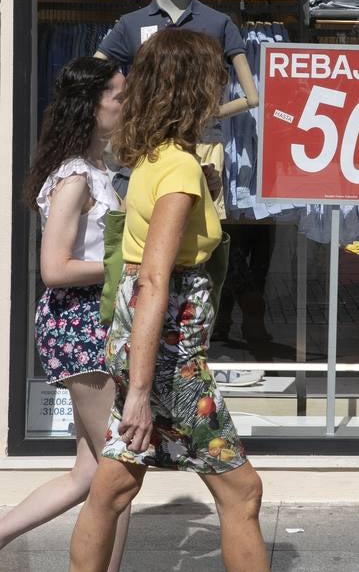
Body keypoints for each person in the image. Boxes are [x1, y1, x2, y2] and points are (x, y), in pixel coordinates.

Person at [69, 29, 269, 572]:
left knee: (111, 488)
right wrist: (138, 391)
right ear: (193, 91)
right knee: (241, 493)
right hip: (170, 362)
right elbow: (155, 279)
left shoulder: (156, 158)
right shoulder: (177, 169)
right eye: (214, 81)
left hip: (146, 350)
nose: (220, 90)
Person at [0, 57, 129, 572]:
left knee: (88, 473)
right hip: (81, 326)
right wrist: (125, 265)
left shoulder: (96, 169)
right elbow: (54, 268)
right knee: (119, 476)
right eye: (119, 96)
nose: (127, 103)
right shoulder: (77, 176)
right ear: (91, 104)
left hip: (87, 325)